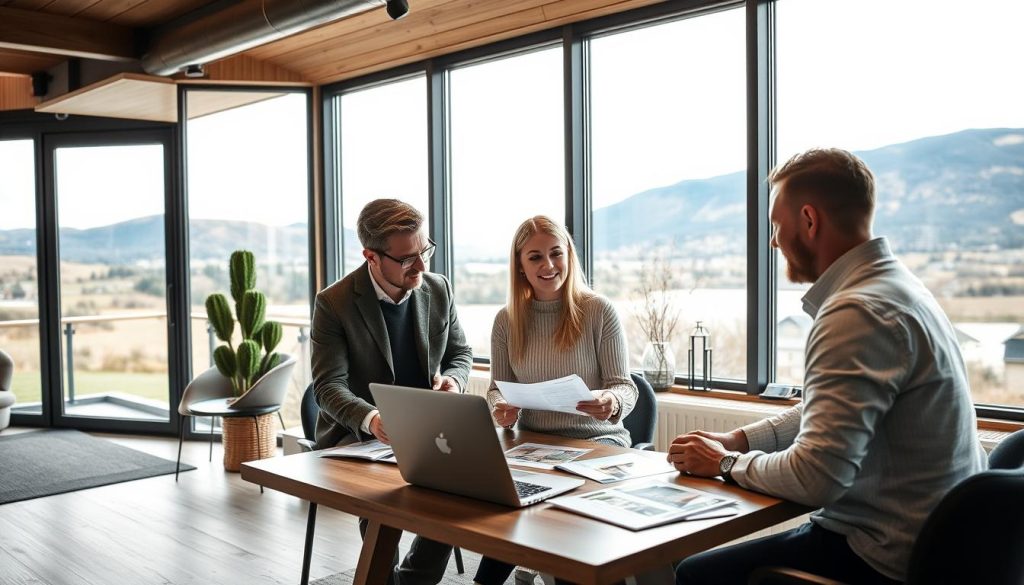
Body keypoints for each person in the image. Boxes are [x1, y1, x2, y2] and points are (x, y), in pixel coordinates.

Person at [668, 148, 987, 585]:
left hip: (884, 553)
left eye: (777, 226)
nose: (774, 242)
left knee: (695, 574)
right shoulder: (898, 288)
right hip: (943, 541)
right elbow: (829, 410)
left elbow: (816, 478)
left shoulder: (856, 312)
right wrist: (739, 438)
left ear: (809, 221)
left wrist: (724, 464)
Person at [310, 198, 473, 585]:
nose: (420, 266)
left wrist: (454, 380)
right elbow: (328, 387)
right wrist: (373, 420)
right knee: (385, 503)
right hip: (358, 437)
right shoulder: (333, 303)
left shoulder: (438, 288)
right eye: (406, 259)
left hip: (429, 431)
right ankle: (382, 574)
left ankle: (412, 580)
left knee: (465, 490)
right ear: (371, 256)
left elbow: (460, 353)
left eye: (424, 251)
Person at [474, 215, 639, 585]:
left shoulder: (598, 311)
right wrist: (500, 407)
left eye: (555, 253)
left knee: (561, 523)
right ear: (519, 265)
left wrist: (611, 400)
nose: (548, 266)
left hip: (597, 443)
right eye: (535, 257)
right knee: (501, 504)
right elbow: (496, 388)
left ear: (569, 255)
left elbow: (625, 387)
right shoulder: (506, 321)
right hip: (535, 446)